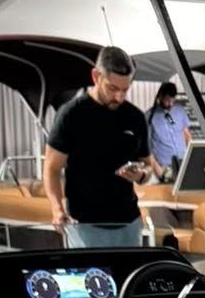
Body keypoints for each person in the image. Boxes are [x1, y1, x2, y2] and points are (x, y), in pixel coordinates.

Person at [43, 45, 157, 249]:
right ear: (96, 76)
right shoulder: (71, 115)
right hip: (84, 225)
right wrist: (57, 208)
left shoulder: (135, 117)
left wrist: (140, 175)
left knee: (129, 279)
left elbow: (148, 166)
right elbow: (51, 168)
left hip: (129, 223)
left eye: (125, 89)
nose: (119, 97)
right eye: (113, 88)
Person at [146, 81, 191, 177]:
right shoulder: (149, 116)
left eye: (172, 100)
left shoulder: (180, 110)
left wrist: (191, 157)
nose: (170, 104)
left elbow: (186, 133)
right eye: (167, 100)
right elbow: (146, 146)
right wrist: (156, 167)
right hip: (164, 166)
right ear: (160, 97)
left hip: (183, 162)